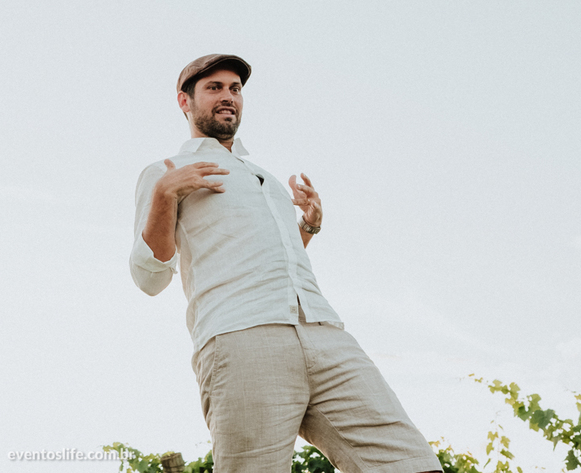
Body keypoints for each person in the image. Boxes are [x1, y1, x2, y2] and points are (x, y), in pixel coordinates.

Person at [130, 54, 441, 473]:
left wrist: (308, 228)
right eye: (214, 88)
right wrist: (165, 196)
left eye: (236, 89)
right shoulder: (166, 172)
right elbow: (148, 278)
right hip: (241, 337)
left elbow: (271, 261)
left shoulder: (267, 179)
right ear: (185, 102)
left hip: (325, 335)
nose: (228, 97)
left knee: (409, 462)